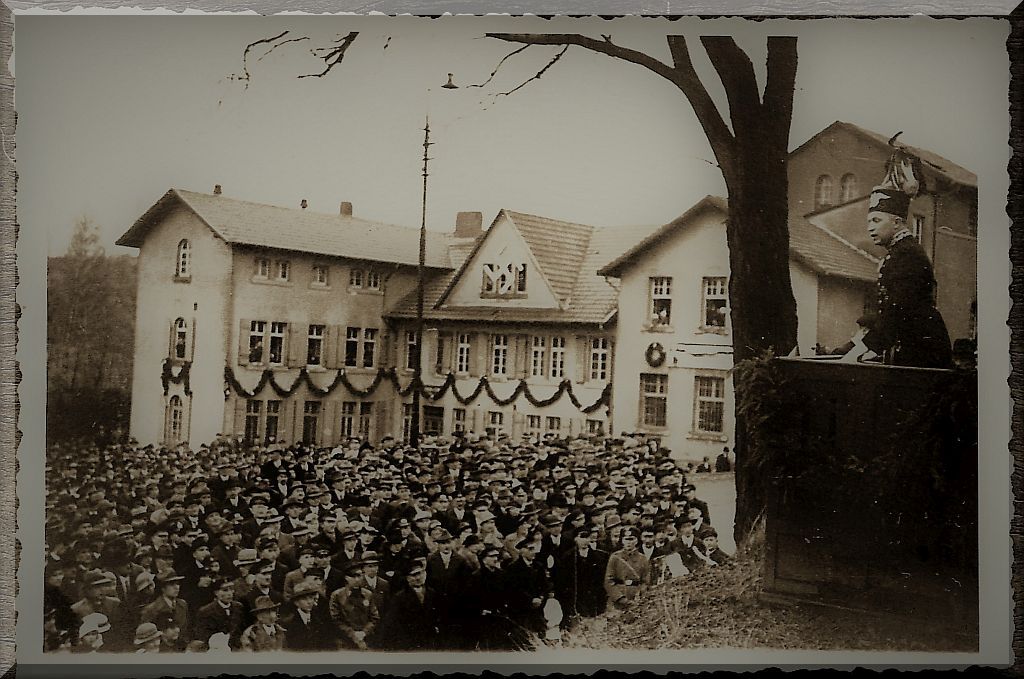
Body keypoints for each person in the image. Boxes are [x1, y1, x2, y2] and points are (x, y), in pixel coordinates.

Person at [844, 184, 952, 368]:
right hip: (910, 346)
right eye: (869, 222)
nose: (870, 228)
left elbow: (898, 310)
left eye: (876, 220)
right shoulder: (899, 252)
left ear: (896, 222)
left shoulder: (907, 254)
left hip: (922, 351)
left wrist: (860, 350)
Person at [603, 528, 650, 609]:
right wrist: (620, 598)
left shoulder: (643, 559)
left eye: (631, 539)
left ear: (637, 541)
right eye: (626, 539)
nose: (629, 542)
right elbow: (608, 581)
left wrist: (641, 595)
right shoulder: (615, 557)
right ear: (622, 540)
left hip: (637, 598)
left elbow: (646, 581)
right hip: (618, 600)